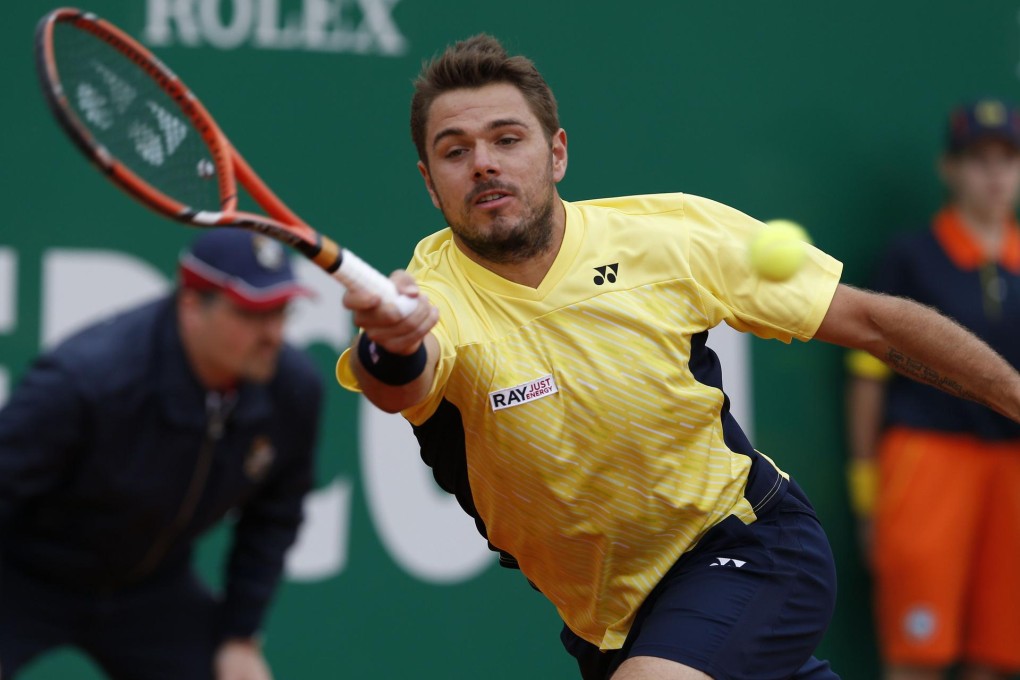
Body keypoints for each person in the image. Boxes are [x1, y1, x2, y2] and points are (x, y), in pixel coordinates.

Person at [337, 36, 1020, 680]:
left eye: (507, 139)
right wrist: (391, 341)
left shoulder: (667, 239)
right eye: (455, 151)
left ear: (557, 153)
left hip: (746, 543)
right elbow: (400, 383)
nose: (484, 163)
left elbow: (872, 323)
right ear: (431, 184)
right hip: (610, 622)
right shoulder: (433, 294)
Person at [0, 230, 324, 680]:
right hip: (23, 576)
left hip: (150, 588)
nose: (273, 334)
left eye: (281, 311)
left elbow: (274, 517)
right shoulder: (84, 382)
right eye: (252, 313)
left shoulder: (292, 389)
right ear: (191, 306)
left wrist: (240, 637)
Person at [846, 99, 1020, 680]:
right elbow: (866, 381)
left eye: (1008, 159)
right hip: (927, 463)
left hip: (1013, 469)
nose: (995, 175)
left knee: (998, 656)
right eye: (979, 160)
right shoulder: (910, 257)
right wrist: (866, 489)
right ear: (950, 169)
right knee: (917, 654)